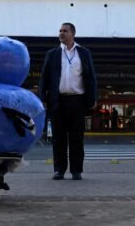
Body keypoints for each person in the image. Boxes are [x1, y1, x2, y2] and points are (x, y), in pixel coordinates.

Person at [38, 22, 98, 180]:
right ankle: (59, 170)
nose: (61, 33)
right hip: (57, 101)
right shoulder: (53, 54)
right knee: (58, 138)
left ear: (73, 34)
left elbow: (90, 77)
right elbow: (44, 78)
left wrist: (92, 99)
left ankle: (76, 170)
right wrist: (42, 98)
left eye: (64, 31)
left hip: (78, 101)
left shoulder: (83, 53)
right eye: (59, 30)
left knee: (77, 138)